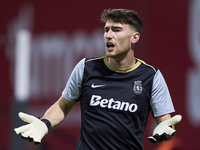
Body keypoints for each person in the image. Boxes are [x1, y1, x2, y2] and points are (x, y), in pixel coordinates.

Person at [14, 9, 182, 150]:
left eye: (116, 30)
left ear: (135, 37)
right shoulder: (86, 68)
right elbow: (62, 106)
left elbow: (165, 122)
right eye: (106, 30)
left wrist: (165, 128)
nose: (108, 35)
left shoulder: (151, 76)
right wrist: (44, 124)